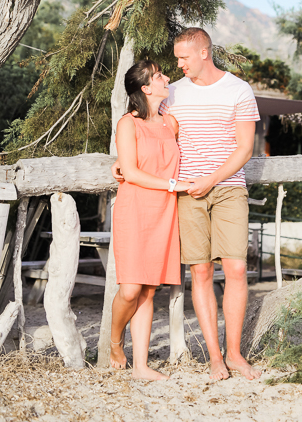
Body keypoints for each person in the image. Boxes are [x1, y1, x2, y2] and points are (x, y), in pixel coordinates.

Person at [114, 28, 261, 380]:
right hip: (184, 194)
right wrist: (120, 163)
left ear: (204, 54)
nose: (178, 65)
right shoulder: (172, 94)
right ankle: (214, 357)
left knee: (237, 269)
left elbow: (245, 148)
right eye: (175, 60)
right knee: (200, 271)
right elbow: (144, 125)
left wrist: (211, 179)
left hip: (227, 188)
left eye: (183, 58)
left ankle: (236, 354)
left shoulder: (239, 90)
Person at [109, 60, 190, 380]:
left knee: (148, 290)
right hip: (135, 209)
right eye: (159, 76)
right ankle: (116, 342)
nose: (166, 77)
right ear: (145, 88)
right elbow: (129, 171)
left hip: (165, 212)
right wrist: (173, 184)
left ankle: (141, 366)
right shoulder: (127, 124)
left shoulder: (171, 123)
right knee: (130, 289)